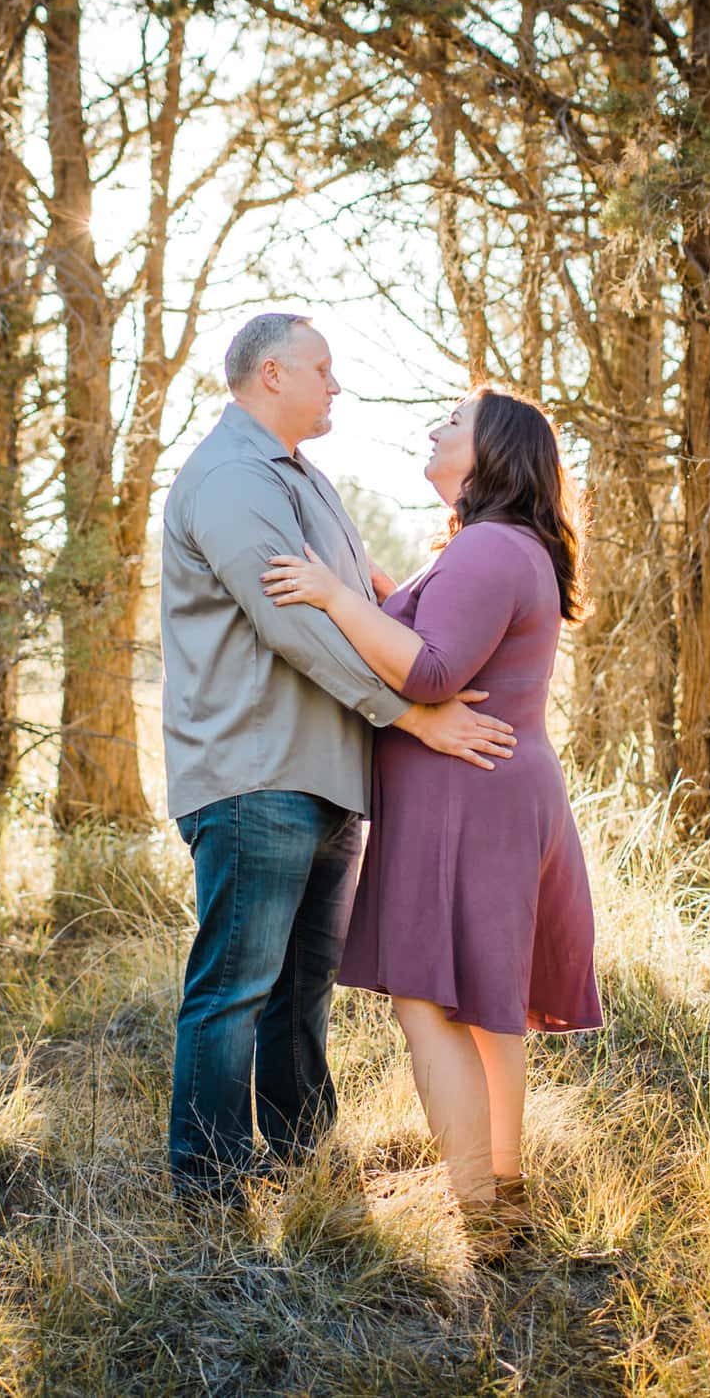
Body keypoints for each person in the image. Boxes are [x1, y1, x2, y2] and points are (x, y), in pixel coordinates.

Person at [159, 312, 518, 1203]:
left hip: (322, 776)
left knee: (299, 993)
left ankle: (302, 1167)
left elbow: (359, 602)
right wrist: (411, 715)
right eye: (324, 370)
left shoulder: (302, 479)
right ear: (272, 374)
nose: (337, 385)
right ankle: (208, 1193)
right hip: (255, 774)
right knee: (236, 989)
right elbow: (296, 626)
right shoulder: (233, 478)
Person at [261, 386, 603, 1253]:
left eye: (452, 421)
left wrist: (337, 599)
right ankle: (503, 1192)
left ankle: (480, 1211)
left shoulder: (490, 547)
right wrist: (376, 587)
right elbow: (429, 625)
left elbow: (432, 670)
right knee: (487, 1003)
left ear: (491, 452)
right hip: (485, 793)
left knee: (429, 1004)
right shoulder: (500, 545)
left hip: (467, 800)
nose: (434, 428)